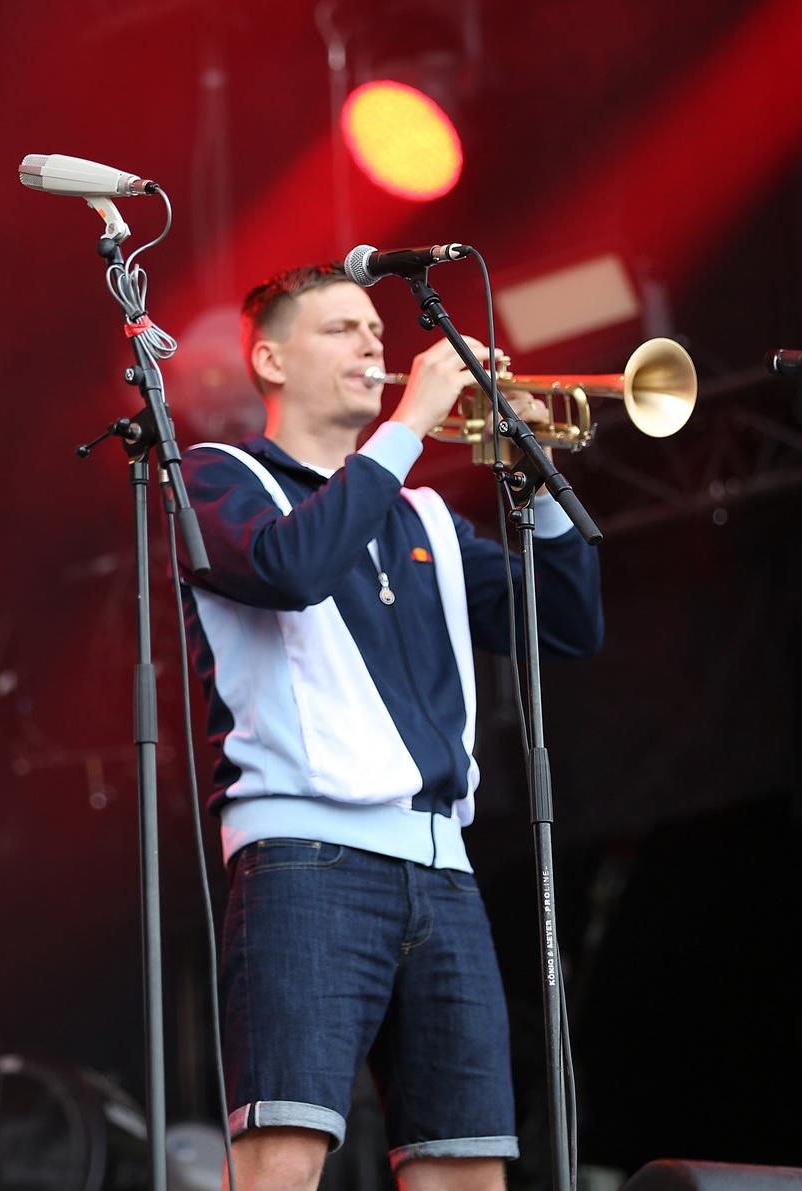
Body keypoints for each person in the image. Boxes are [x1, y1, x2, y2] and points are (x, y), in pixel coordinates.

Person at [179, 263, 605, 1191]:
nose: (372, 344)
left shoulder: (426, 519)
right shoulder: (216, 476)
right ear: (269, 360)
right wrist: (409, 423)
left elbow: (570, 625)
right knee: (282, 1159)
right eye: (340, 328)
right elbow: (290, 568)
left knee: (465, 1170)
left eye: (375, 328)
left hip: (442, 867)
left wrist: (534, 473)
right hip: (304, 856)